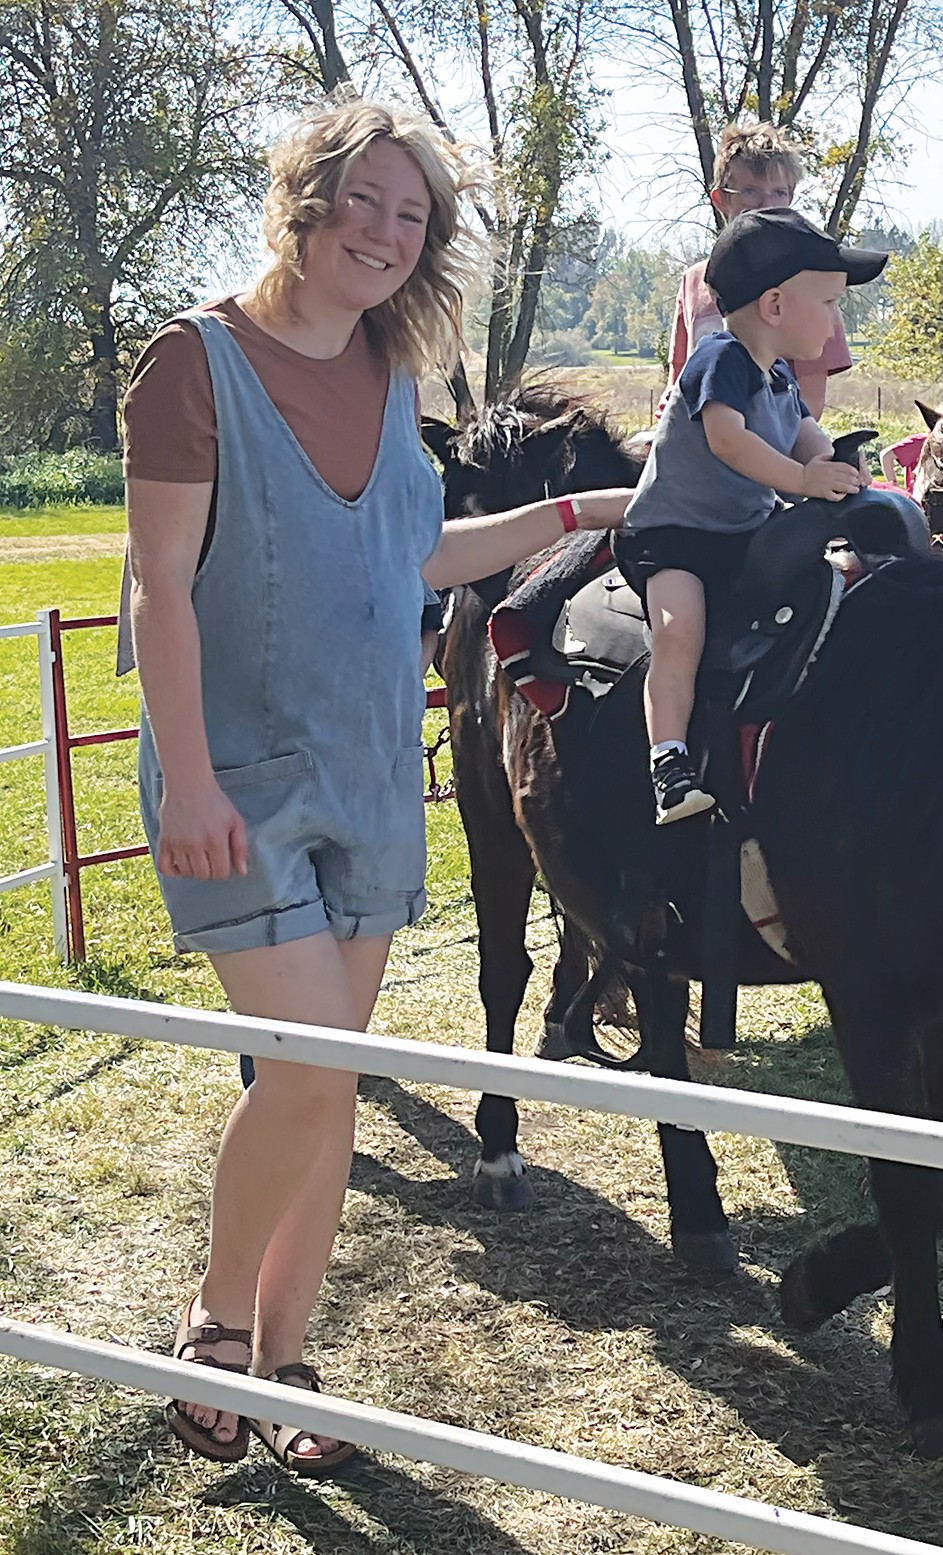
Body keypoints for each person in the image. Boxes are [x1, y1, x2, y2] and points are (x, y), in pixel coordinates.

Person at [123, 98, 632, 1474]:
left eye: (413, 219)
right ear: (306, 196)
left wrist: (580, 513)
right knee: (310, 1068)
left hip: (366, 776)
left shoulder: (390, 376)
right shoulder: (193, 361)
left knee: (331, 1090)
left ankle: (291, 1370)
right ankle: (216, 1323)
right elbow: (156, 581)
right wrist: (184, 779)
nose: (388, 235)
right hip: (233, 785)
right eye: (368, 203)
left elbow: (416, 552)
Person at [615, 208, 885, 823]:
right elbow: (728, 441)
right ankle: (670, 761)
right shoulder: (721, 360)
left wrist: (836, 467)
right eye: (829, 301)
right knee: (680, 629)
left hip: (742, 533)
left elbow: (803, 434)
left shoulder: (781, 376)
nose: (836, 319)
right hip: (675, 536)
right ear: (774, 305)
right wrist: (802, 480)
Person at [664, 122, 854, 422]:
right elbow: (678, 383)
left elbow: (809, 403)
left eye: (779, 192)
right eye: (751, 191)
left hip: (774, 451)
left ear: (790, 200)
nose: (766, 205)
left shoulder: (811, 285)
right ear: (721, 199)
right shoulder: (693, 281)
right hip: (697, 452)